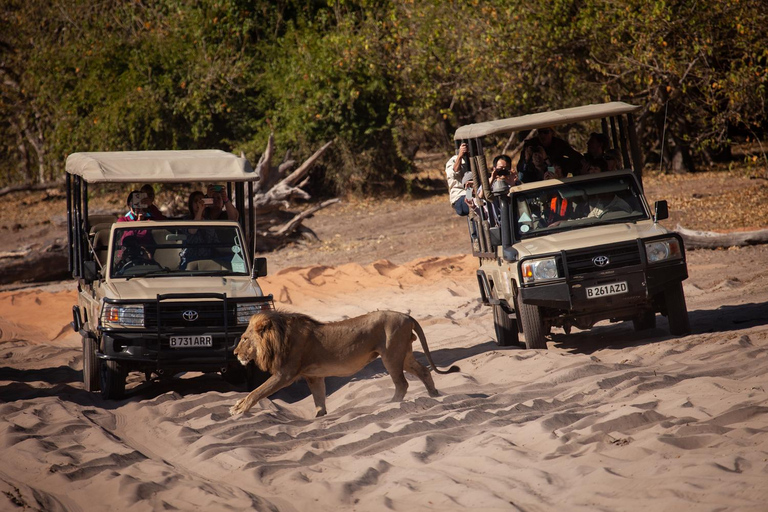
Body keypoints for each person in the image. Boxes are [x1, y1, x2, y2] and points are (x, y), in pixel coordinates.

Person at [517, 127, 586, 180]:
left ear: (552, 133)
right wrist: (526, 160)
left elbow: (577, 157)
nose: (542, 135)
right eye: (540, 132)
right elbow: (521, 175)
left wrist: (546, 159)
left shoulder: (559, 144)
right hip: (535, 178)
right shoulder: (531, 144)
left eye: (545, 132)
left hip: (554, 176)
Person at [445, 142, 473, 216]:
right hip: (462, 194)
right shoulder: (453, 160)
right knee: (473, 203)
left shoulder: (475, 160)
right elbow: (454, 171)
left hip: (475, 192)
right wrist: (460, 156)